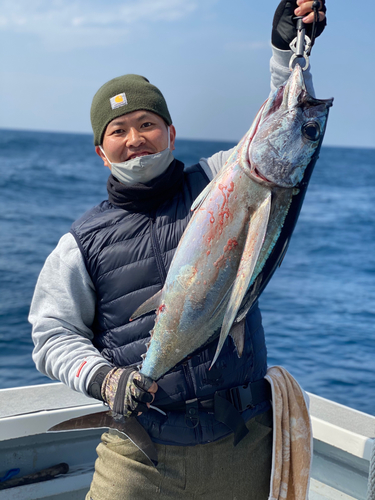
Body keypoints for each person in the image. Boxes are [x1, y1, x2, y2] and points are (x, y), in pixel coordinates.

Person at [29, 1, 327, 498]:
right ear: (101, 151)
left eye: (147, 123)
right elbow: (51, 333)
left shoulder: (222, 181)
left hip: (243, 442)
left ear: (171, 132)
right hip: (139, 456)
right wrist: (104, 381)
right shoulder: (81, 242)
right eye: (117, 131)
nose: (135, 139)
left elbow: (285, 126)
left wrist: (288, 49)